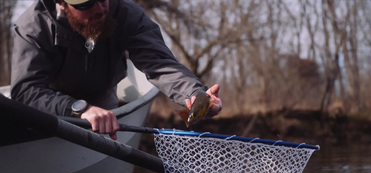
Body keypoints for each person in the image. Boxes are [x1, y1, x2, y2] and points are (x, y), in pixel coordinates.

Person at [11, 0, 222, 140]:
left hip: (104, 99)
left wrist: (195, 94)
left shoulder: (127, 13)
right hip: (50, 106)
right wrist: (79, 109)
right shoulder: (33, 27)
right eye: (86, 4)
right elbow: (26, 91)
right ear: (62, 3)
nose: (100, 9)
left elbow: (159, 63)